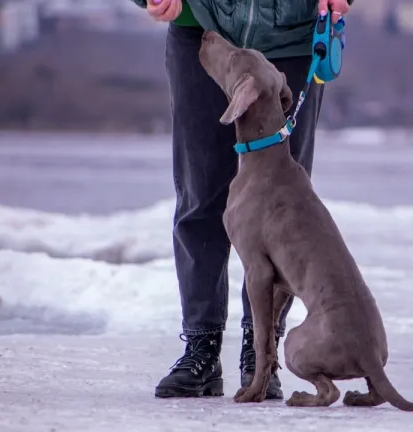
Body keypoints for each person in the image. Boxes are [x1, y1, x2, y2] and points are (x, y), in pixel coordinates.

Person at [127, 0, 352, 399]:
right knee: (200, 197)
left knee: (286, 209)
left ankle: (261, 353)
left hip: (293, 37)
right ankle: (201, 346)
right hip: (203, 29)